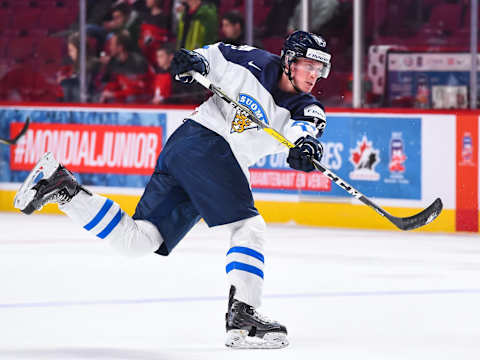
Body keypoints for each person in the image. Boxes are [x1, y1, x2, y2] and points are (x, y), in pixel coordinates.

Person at [14, 31, 331, 349]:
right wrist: (194, 60)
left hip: (197, 155)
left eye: (320, 69)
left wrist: (305, 148)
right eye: (309, 65)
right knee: (248, 227)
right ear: (289, 60)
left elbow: (304, 131)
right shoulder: (253, 61)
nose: (314, 75)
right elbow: (214, 56)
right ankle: (243, 317)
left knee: (138, 241)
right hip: (203, 142)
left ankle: (62, 188)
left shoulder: (307, 108)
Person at [97, 31, 152, 103]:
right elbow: (112, 83)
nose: (110, 48)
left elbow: (138, 91)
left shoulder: (137, 62)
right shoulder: (113, 63)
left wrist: (114, 94)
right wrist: (106, 91)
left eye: (111, 45)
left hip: (142, 101)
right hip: (124, 99)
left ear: (120, 47)